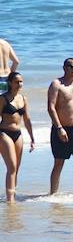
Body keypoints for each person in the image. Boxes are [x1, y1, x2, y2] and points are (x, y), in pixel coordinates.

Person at [47, 57, 73, 195]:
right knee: (59, 163)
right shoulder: (56, 84)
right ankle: (52, 194)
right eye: (72, 67)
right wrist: (59, 128)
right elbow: (51, 107)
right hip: (62, 129)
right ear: (65, 68)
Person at [1, 71, 35, 202]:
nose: (20, 84)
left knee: (17, 167)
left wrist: (32, 138)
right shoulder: (3, 98)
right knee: (12, 167)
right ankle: (10, 200)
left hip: (18, 134)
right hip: (4, 133)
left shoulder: (23, 99)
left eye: (21, 81)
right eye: (17, 81)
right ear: (10, 83)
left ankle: (12, 193)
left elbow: (27, 120)